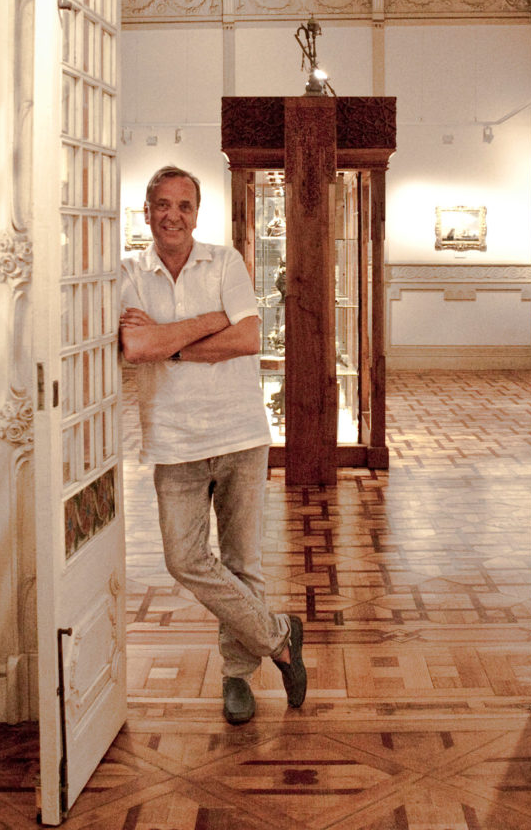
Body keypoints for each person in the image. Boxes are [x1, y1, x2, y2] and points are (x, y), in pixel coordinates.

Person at [119, 164, 306, 725]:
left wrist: (166, 340)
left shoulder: (225, 261)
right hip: (173, 443)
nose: (172, 215)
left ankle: (236, 678)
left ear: (197, 213)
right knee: (185, 559)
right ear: (148, 211)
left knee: (244, 562)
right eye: (162, 205)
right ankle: (279, 636)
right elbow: (134, 348)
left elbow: (247, 337)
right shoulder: (129, 273)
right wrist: (207, 325)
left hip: (240, 434)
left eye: (184, 205)